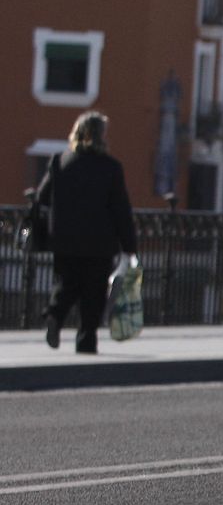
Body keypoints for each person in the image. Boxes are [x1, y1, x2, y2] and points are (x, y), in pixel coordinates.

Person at [32, 111, 137, 354]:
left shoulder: (59, 161)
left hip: (64, 240)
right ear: (100, 135)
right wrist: (129, 245)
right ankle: (86, 341)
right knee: (93, 294)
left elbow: (41, 197)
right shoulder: (110, 167)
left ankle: (55, 315)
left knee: (67, 283)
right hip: (99, 243)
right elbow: (120, 209)